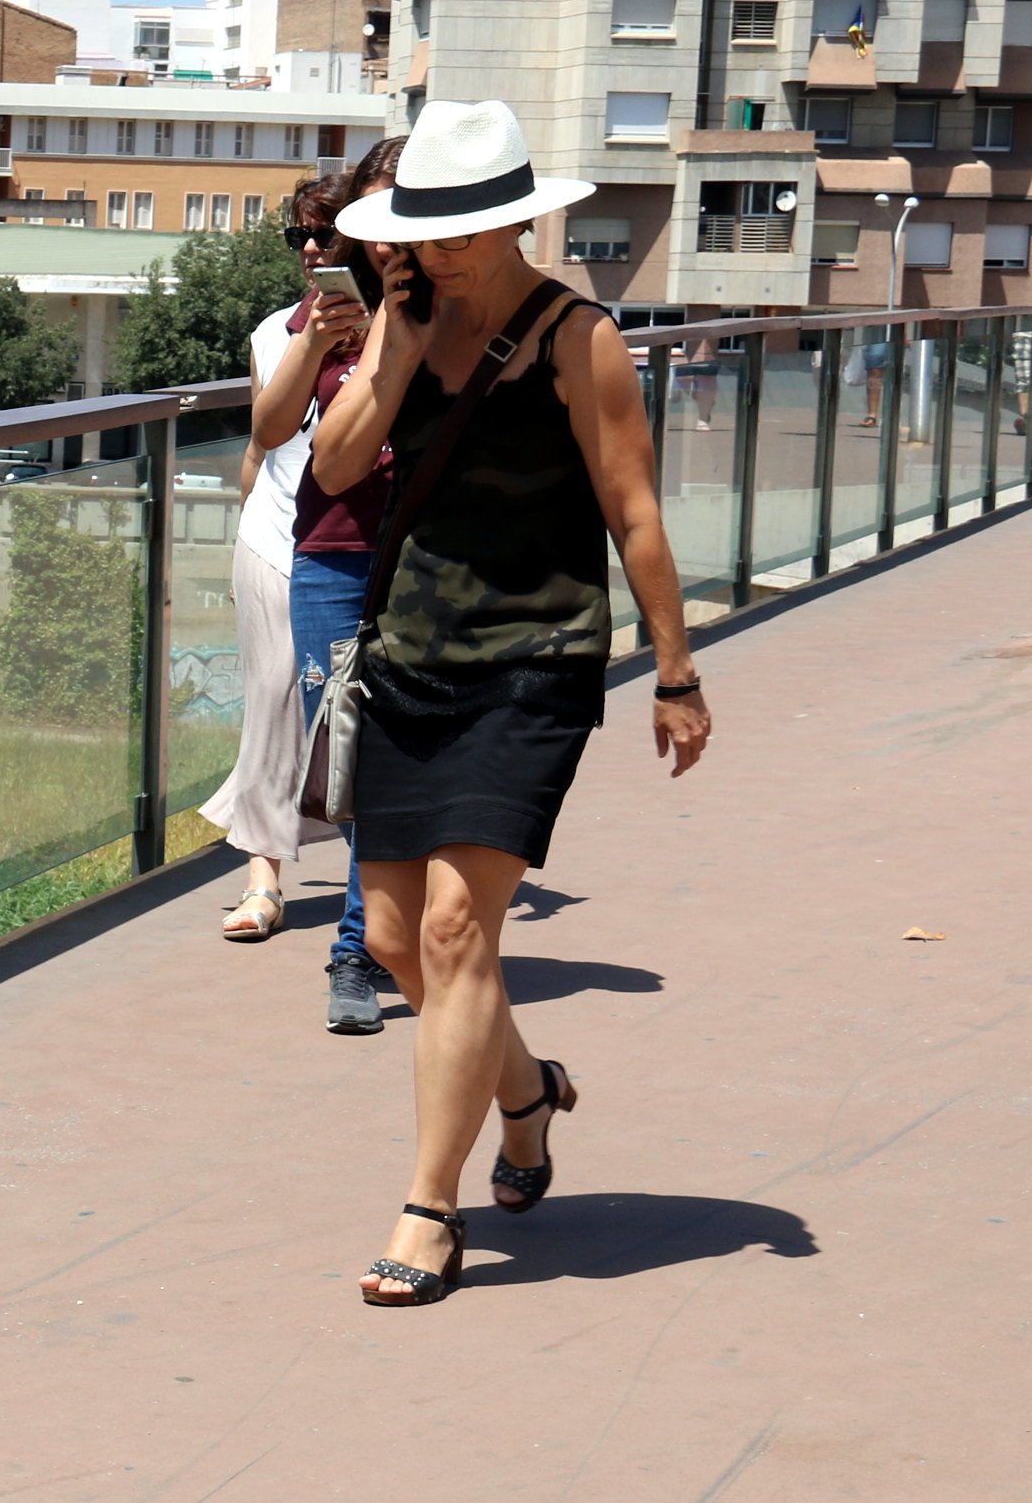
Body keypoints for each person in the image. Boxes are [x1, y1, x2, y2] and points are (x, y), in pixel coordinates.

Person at [312, 101, 713, 1306]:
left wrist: (677, 669)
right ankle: (526, 1091)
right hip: (408, 652)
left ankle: (428, 1207)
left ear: (506, 225)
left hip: (533, 659)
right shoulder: (403, 320)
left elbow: (632, 509)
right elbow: (333, 467)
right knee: (390, 939)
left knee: (451, 929)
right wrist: (386, 345)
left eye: (448, 235)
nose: (426, 253)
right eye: (414, 235)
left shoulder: (575, 337)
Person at [250, 139, 407, 1035]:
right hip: (333, 556)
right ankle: (363, 939)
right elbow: (271, 430)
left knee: (398, 759)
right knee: (353, 757)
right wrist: (316, 344)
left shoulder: (447, 311)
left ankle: (367, 939)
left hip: (428, 559)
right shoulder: (325, 312)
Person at [200, 176, 351, 949]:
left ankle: (372, 875)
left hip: (355, 547)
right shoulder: (270, 335)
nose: (313, 251)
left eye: (326, 234)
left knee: (344, 718)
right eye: (302, 238)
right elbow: (263, 444)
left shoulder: (397, 332)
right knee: (271, 698)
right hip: (272, 540)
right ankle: (263, 879)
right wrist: (244, 536)